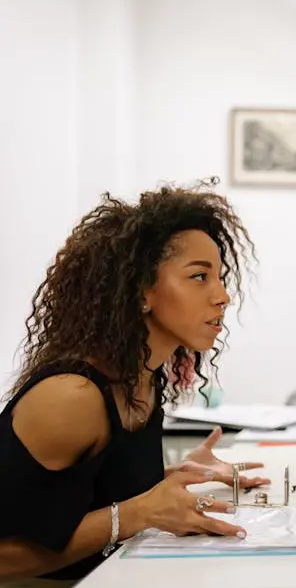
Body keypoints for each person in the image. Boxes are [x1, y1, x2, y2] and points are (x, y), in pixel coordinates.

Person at [0, 180, 270, 586]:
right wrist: (139, 512)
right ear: (142, 292)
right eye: (199, 277)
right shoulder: (71, 399)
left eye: (219, 276)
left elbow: (83, 499)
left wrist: (170, 478)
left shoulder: (144, 376)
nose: (222, 296)